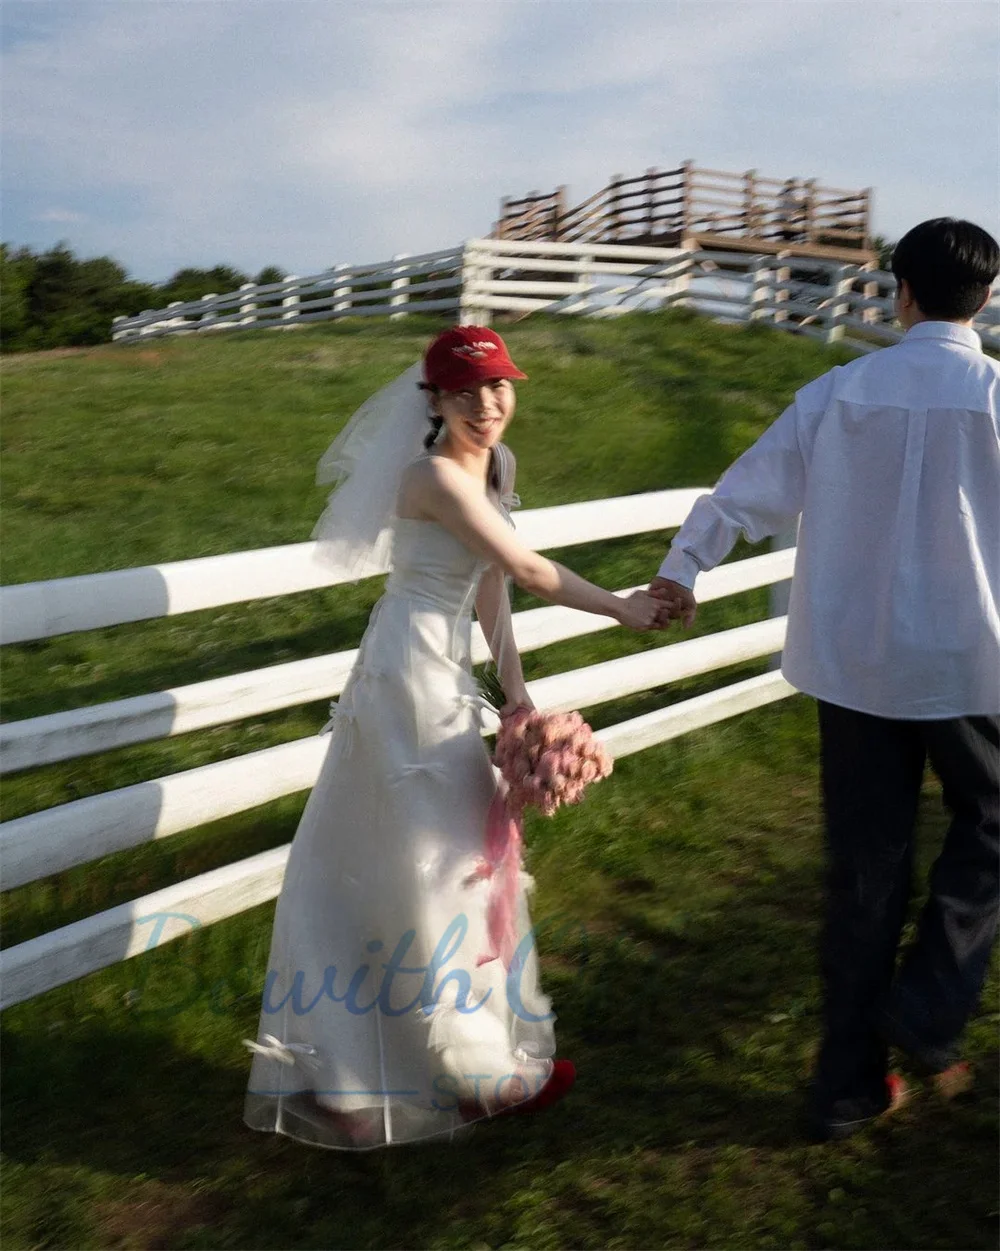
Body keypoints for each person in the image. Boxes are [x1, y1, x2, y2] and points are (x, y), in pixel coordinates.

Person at [243, 324, 668, 1150]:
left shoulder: (492, 467)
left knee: (445, 857)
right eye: (467, 392)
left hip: (446, 669)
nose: (488, 404)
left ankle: (414, 1067)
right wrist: (623, 606)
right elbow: (534, 567)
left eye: (501, 386)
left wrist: (516, 695)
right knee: (433, 861)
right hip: (409, 675)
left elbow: (495, 585)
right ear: (433, 401)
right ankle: (429, 1073)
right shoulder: (433, 475)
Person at [650, 218, 1000, 1142]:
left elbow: (745, 490)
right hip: (972, 662)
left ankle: (845, 1084)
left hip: (856, 661)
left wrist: (685, 565)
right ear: (988, 296)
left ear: (903, 293)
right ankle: (927, 1004)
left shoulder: (840, 392)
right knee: (993, 822)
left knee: (864, 870)